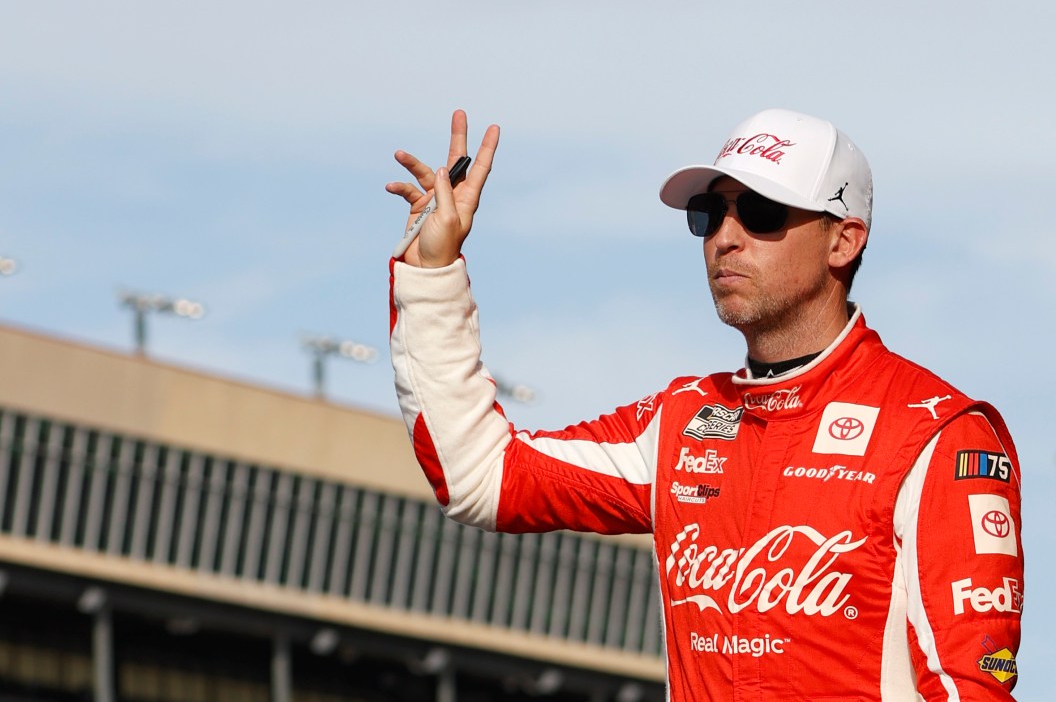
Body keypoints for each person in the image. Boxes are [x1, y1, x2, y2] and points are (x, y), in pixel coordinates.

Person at [385, 108, 1023, 700]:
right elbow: (482, 477)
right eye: (709, 214)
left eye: (762, 212)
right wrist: (432, 272)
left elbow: (973, 686)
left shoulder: (939, 433)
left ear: (843, 241)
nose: (725, 237)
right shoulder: (683, 421)